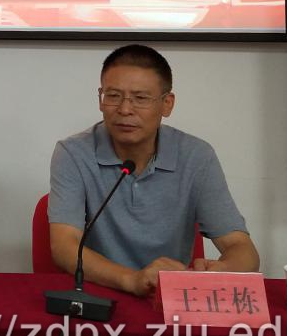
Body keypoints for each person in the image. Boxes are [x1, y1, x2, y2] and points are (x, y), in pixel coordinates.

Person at [48, 44, 258, 297]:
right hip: (100, 294)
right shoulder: (73, 153)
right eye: (113, 96)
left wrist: (219, 272)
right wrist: (132, 280)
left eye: (140, 98)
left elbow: (242, 248)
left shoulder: (196, 156)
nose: (125, 109)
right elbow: (64, 247)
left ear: (167, 104)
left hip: (169, 298)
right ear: (101, 99)